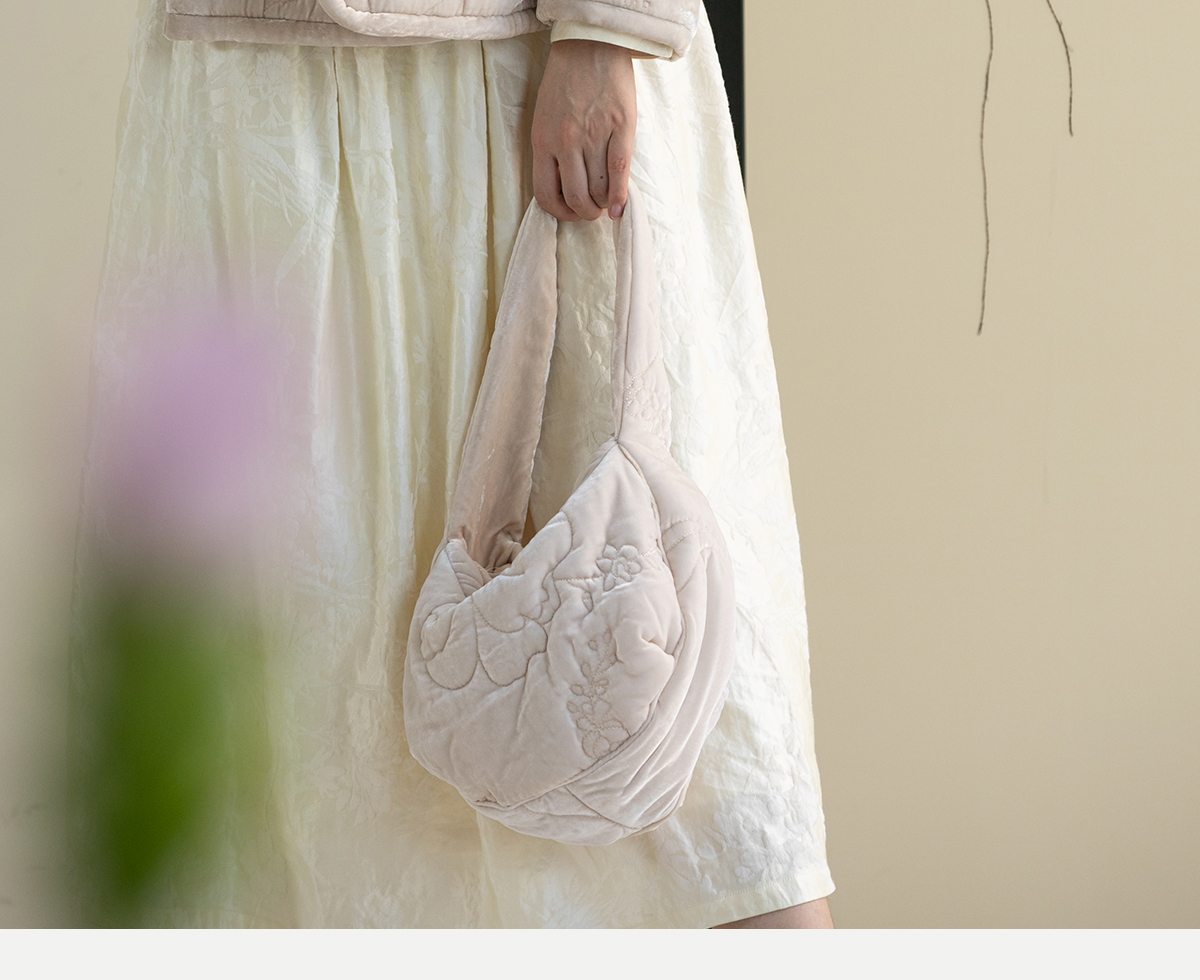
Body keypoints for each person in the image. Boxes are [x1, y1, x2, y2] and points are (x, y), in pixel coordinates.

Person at [81, 0, 834, 927]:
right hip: (256, 95)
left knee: (674, 697)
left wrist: (607, 26)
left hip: (519, 77)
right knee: (305, 693)